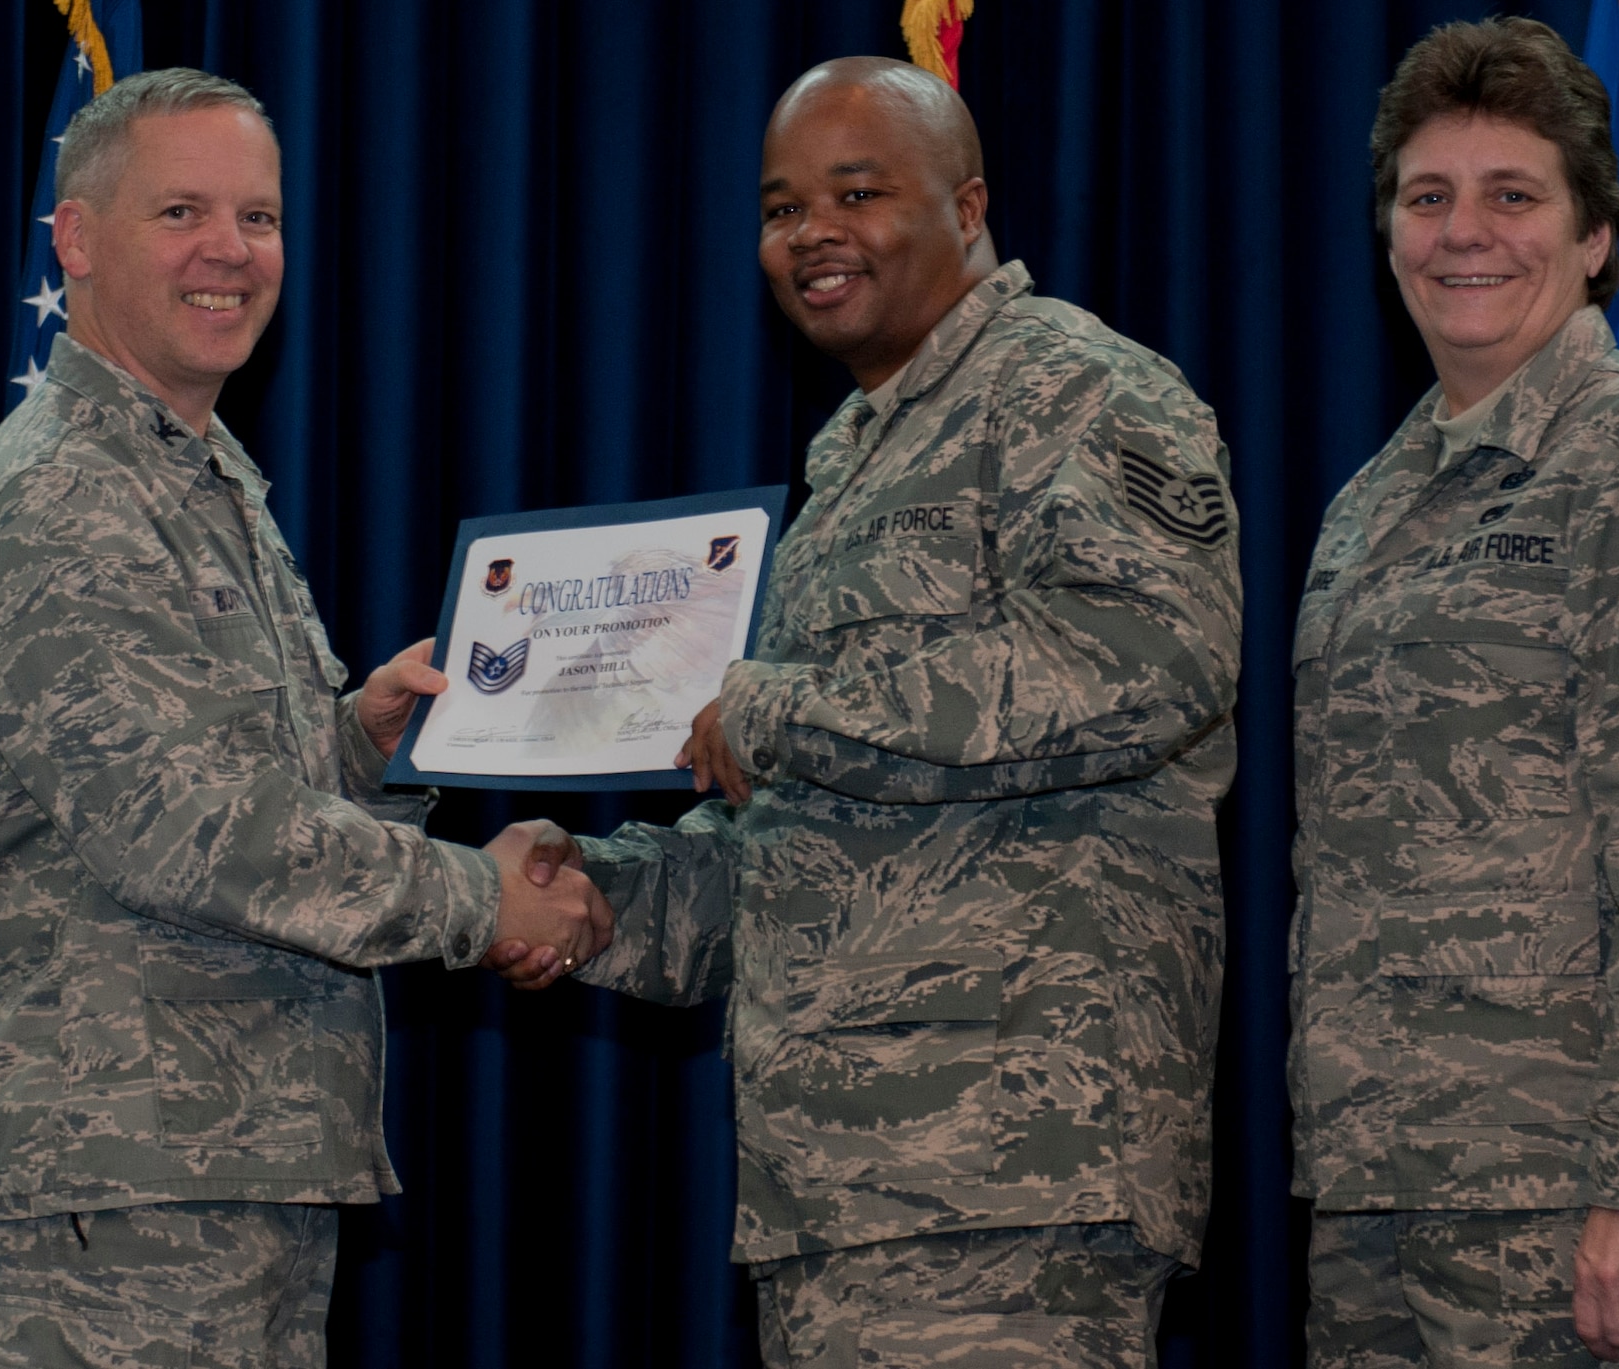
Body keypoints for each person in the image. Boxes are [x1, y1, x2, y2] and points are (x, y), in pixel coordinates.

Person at [501, 55, 1241, 1367]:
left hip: (1012, 1165)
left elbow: (1148, 664)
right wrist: (598, 903)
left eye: (858, 191)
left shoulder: (1076, 388)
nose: (812, 234)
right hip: (842, 1185)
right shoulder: (854, 453)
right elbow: (809, 839)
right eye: (784, 207)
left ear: (968, 204)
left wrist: (782, 711)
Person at [0, 68, 609, 1368]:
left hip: (232, 1175)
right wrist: (481, 900)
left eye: (261, 217)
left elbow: (219, 782)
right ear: (76, 239)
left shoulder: (202, 474)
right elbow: (187, 833)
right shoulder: (58, 502)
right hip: (108, 1197)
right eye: (182, 211)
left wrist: (366, 746)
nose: (231, 251)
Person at [1289, 18, 1619, 1368]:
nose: (1465, 233)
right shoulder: (1368, 508)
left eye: (1514, 196)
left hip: (1591, 1201)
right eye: (1428, 196)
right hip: (1387, 1197)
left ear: (1594, 240)